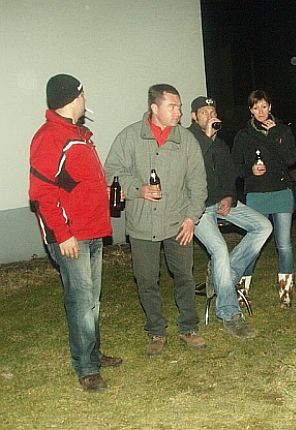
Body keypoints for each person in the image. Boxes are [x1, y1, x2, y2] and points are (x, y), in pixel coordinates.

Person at [29, 74, 122, 391]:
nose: (86, 100)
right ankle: (87, 369)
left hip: (92, 230)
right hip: (72, 236)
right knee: (81, 302)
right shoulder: (49, 137)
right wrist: (63, 234)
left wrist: (106, 194)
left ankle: (93, 354)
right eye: (83, 94)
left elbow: (74, 183)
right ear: (73, 97)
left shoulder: (78, 134)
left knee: (92, 300)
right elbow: (42, 193)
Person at [105, 84, 208, 355]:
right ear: (154, 108)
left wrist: (191, 218)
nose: (178, 112)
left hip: (178, 221)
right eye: (172, 107)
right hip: (142, 222)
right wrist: (138, 188)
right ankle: (156, 331)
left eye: (180, 107)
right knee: (146, 279)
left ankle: (189, 327)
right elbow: (112, 172)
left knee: (184, 276)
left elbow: (198, 183)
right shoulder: (130, 137)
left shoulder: (186, 140)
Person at [188, 96, 272, 338]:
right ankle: (229, 313)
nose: (210, 116)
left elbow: (229, 175)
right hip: (198, 208)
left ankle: (225, 275)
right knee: (219, 249)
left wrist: (229, 196)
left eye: (212, 111)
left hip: (220, 203)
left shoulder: (220, 144)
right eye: (204, 113)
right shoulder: (187, 140)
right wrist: (207, 136)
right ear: (194, 117)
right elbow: (192, 167)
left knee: (263, 226)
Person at [232, 90, 296, 308]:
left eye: (264, 106)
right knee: (254, 244)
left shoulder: (283, 130)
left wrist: (276, 134)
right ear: (250, 110)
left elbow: (290, 159)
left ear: (270, 107)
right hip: (257, 195)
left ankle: (286, 294)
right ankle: (241, 291)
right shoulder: (244, 135)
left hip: (281, 193)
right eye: (255, 107)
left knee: (284, 244)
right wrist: (250, 170)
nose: (260, 111)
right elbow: (235, 166)